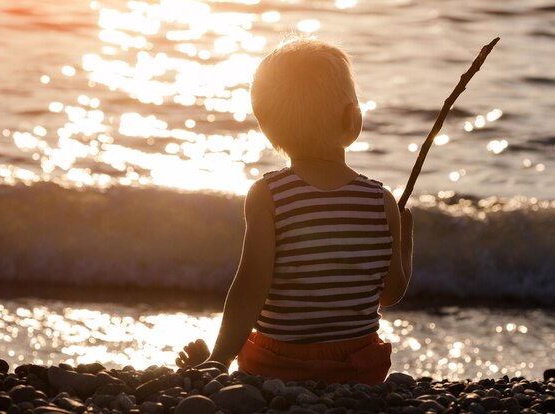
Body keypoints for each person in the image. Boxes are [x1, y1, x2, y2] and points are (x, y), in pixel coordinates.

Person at [175, 37, 414, 385]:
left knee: (252, 351)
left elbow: (250, 287)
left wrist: (220, 359)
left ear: (268, 129)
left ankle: (206, 367)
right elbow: (390, 294)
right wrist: (405, 238)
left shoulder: (268, 195)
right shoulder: (380, 200)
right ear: (354, 119)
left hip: (277, 364)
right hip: (358, 368)